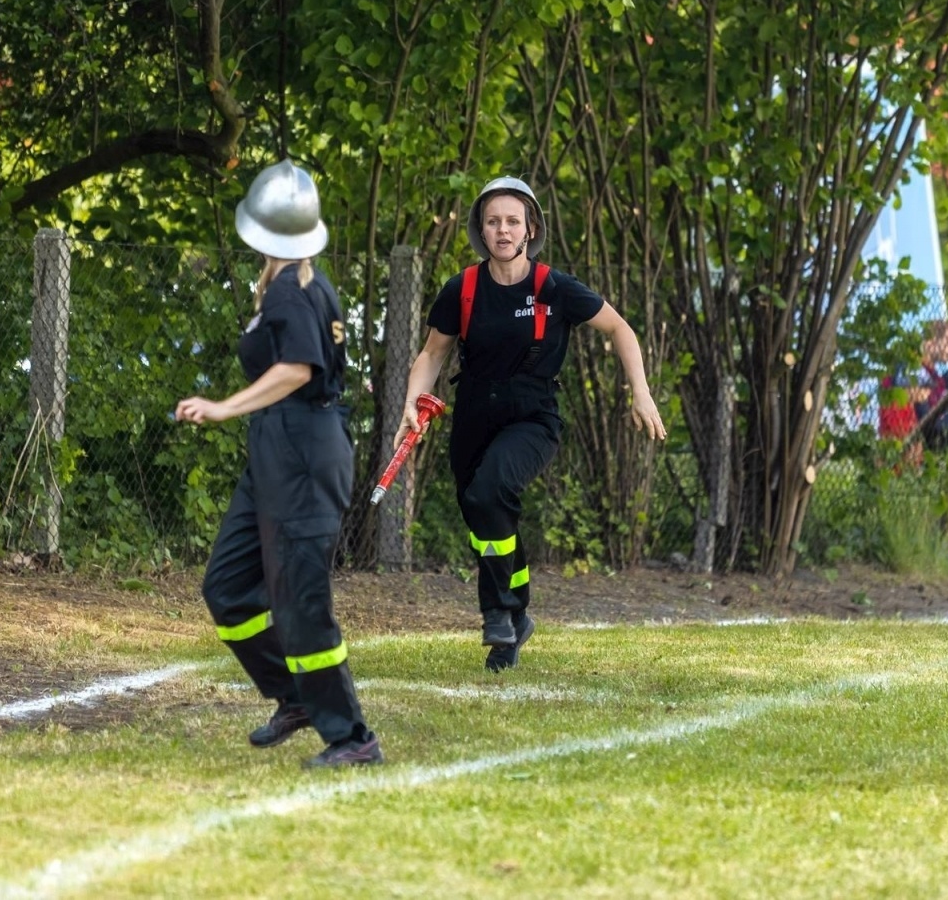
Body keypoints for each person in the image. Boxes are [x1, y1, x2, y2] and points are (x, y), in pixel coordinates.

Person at [394, 176, 666, 671]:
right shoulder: (462, 288)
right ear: (481, 230)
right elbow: (432, 354)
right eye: (493, 221)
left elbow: (620, 328)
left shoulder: (554, 287)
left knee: (491, 491)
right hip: (474, 412)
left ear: (530, 229)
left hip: (532, 415)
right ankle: (516, 620)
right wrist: (411, 403)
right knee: (484, 520)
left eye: (512, 222)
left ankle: (498, 613)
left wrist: (641, 392)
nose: (503, 230)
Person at [174, 160, 380, 769]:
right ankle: (293, 696)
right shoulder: (295, 285)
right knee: (228, 587)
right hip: (276, 451)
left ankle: (352, 737)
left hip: (303, 453)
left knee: (301, 601)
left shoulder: (294, 289)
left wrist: (222, 407)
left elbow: (297, 369)